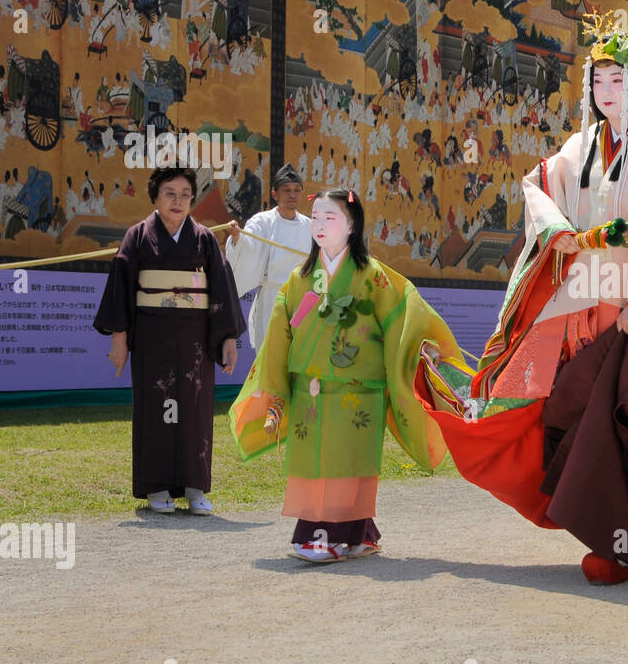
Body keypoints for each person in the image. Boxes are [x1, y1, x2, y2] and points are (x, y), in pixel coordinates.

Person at [415, 11, 628, 585]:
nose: (606, 91)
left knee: (627, 418)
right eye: (599, 80)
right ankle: (619, 537)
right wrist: (563, 235)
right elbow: (537, 188)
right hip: (579, 309)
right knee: (566, 410)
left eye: (618, 80)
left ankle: (623, 542)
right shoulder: (578, 148)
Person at [228, 188, 462, 562]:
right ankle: (356, 534)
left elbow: (403, 317)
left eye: (330, 217)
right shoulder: (299, 279)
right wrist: (276, 388)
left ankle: (331, 537)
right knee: (313, 460)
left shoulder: (374, 276)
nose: (320, 224)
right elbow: (279, 336)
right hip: (309, 389)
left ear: (352, 225)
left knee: (349, 460)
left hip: (359, 389)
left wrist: (419, 347)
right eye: (315, 217)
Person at [93, 164, 245, 514]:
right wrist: (119, 340)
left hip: (195, 340)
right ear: (156, 197)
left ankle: (195, 487)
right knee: (157, 409)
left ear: (192, 200)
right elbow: (121, 288)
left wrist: (227, 338)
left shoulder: (204, 238)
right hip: (152, 336)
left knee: (194, 412)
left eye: (185, 195)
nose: (177, 201)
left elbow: (221, 288)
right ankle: (156, 486)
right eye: (170, 194)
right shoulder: (137, 236)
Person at [225, 163, 311, 350]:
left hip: (302, 298)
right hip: (272, 297)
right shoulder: (262, 222)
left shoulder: (310, 226)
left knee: (299, 351)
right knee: (270, 352)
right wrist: (238, 237)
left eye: (296, 190)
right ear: (274, 194)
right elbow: (248, 248)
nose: (292, 195)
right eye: (286, 190)